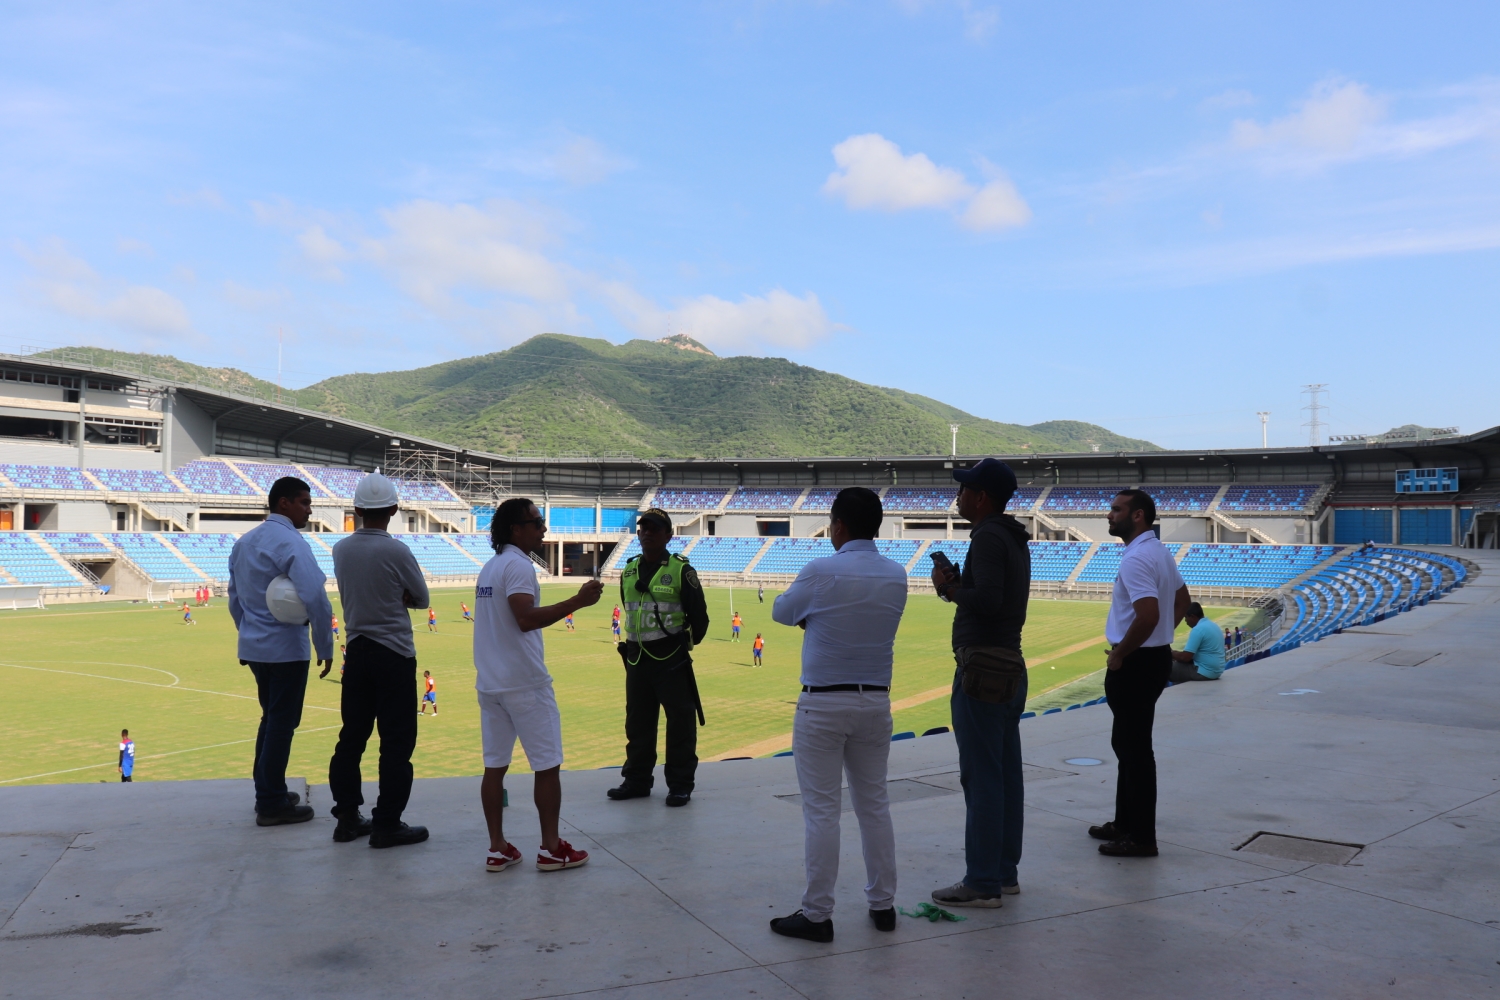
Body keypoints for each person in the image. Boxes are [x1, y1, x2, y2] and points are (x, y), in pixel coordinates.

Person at [768, 487, 909, 943]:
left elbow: (782, 613)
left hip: (823, 704)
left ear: (839, 526)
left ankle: (817, 914)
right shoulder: (896, 574)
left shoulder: (820, 570)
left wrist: (816, 616)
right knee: (875, 807)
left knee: (823, 813)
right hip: (875, 703)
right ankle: (883, 905)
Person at [476, 498, 602, 873]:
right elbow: (525, 618)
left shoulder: (491, 566)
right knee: (547, 766)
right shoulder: (517, 566)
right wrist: (577, 601)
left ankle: (497, 847)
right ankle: (550, 848)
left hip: (491, 683)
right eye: (537, 521)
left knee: (494, 767)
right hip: (525, 683)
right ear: (517, 529)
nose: (544, 528)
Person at [928, 458, 1032, 907]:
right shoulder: (1011, 536)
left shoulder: (988, 536)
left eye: (966, 488)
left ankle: (983, 881)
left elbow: (986, 602)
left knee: (983, 777)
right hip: (1009, 665)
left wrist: (949, 589)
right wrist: (956, 584)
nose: (959, 495)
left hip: (983, 671)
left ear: (982, 497)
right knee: (1006, 774)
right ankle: (1003, 873)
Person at [326, 473, 433, 848]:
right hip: (394, 654)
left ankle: (346, 818)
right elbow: (421, 598)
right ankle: (387, 822)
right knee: (396, 743)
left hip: (356, 651)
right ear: (393, 510)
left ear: (356, 510)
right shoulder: (397, 551)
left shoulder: (340, 549)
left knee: (351, 738)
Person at [1090, 490, 1191, 858]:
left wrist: (1121, 653)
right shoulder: (1159, 551)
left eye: (1116, 510)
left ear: (1137, 516)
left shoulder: (1137, 558)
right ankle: (1124, 823)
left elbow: (1147, 615)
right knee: (1127, 745)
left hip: (1136, 664)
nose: (1108, 515)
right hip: (1154, 658)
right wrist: (1163, 636)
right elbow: (1182, 601)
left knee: (1134, 751)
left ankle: (1142, 837)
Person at [228, 476, 333, 826]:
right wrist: (325, 643)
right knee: (282, 723)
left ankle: (268, 789)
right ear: (283, 503)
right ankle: (271, 801)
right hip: (286, 648)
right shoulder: (291, 542)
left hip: (255, 646)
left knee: (270, 719)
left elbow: (234, 599)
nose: (309, 508)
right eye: (304, 502)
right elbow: (316, 597)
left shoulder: (244, 543)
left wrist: (248, 633)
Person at [608, 508, 710, 807]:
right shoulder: (628, 571)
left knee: (680, 723)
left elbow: (699, 619)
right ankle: (637, 780)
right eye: (644, 528)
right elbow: (630, 609)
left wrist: (681, 646)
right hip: (637, 659)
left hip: (672, 660)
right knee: (637, 723)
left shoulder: (681, 570)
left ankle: (680, 785)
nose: (648, 533)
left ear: (668, 535)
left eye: (655, 528)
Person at [1170, 602, 1224, 683]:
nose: (1185, 621)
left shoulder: (1198, 629)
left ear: (1192, 617)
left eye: (1186, 617)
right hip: (1217, 671)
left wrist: (1170, 653)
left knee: (1163, 668)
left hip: (1204, 672)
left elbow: (1185, 657)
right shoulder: (1213, 625)